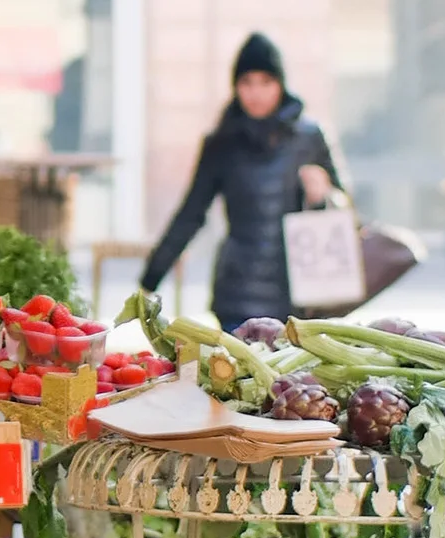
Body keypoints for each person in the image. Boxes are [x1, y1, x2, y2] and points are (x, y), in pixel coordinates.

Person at [140, 34, 340, 330]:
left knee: (294, 378)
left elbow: (345, 214)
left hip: (300, 298)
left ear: (281, 84)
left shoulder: (309, 138)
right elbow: (191, 214)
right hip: (237, 297)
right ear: (235, 87)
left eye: (265, 82)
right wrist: (150, 279)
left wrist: (322, 195)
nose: (256, 93)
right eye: (247, 83)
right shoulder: (220, 143)